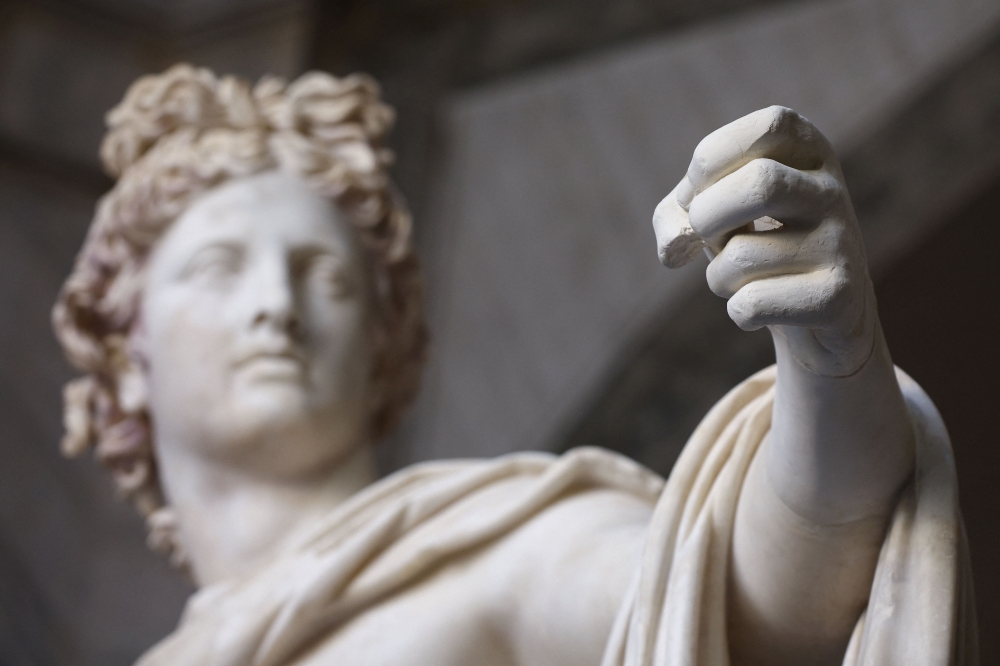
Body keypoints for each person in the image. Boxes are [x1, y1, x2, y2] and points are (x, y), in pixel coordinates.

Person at [52, 64, 975, 666]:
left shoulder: (502, 548)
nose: (275, 305)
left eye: (324, 276)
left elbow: (742, 603)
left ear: (382, 348)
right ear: (124, 355)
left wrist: (830, 362)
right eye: (218, 268)